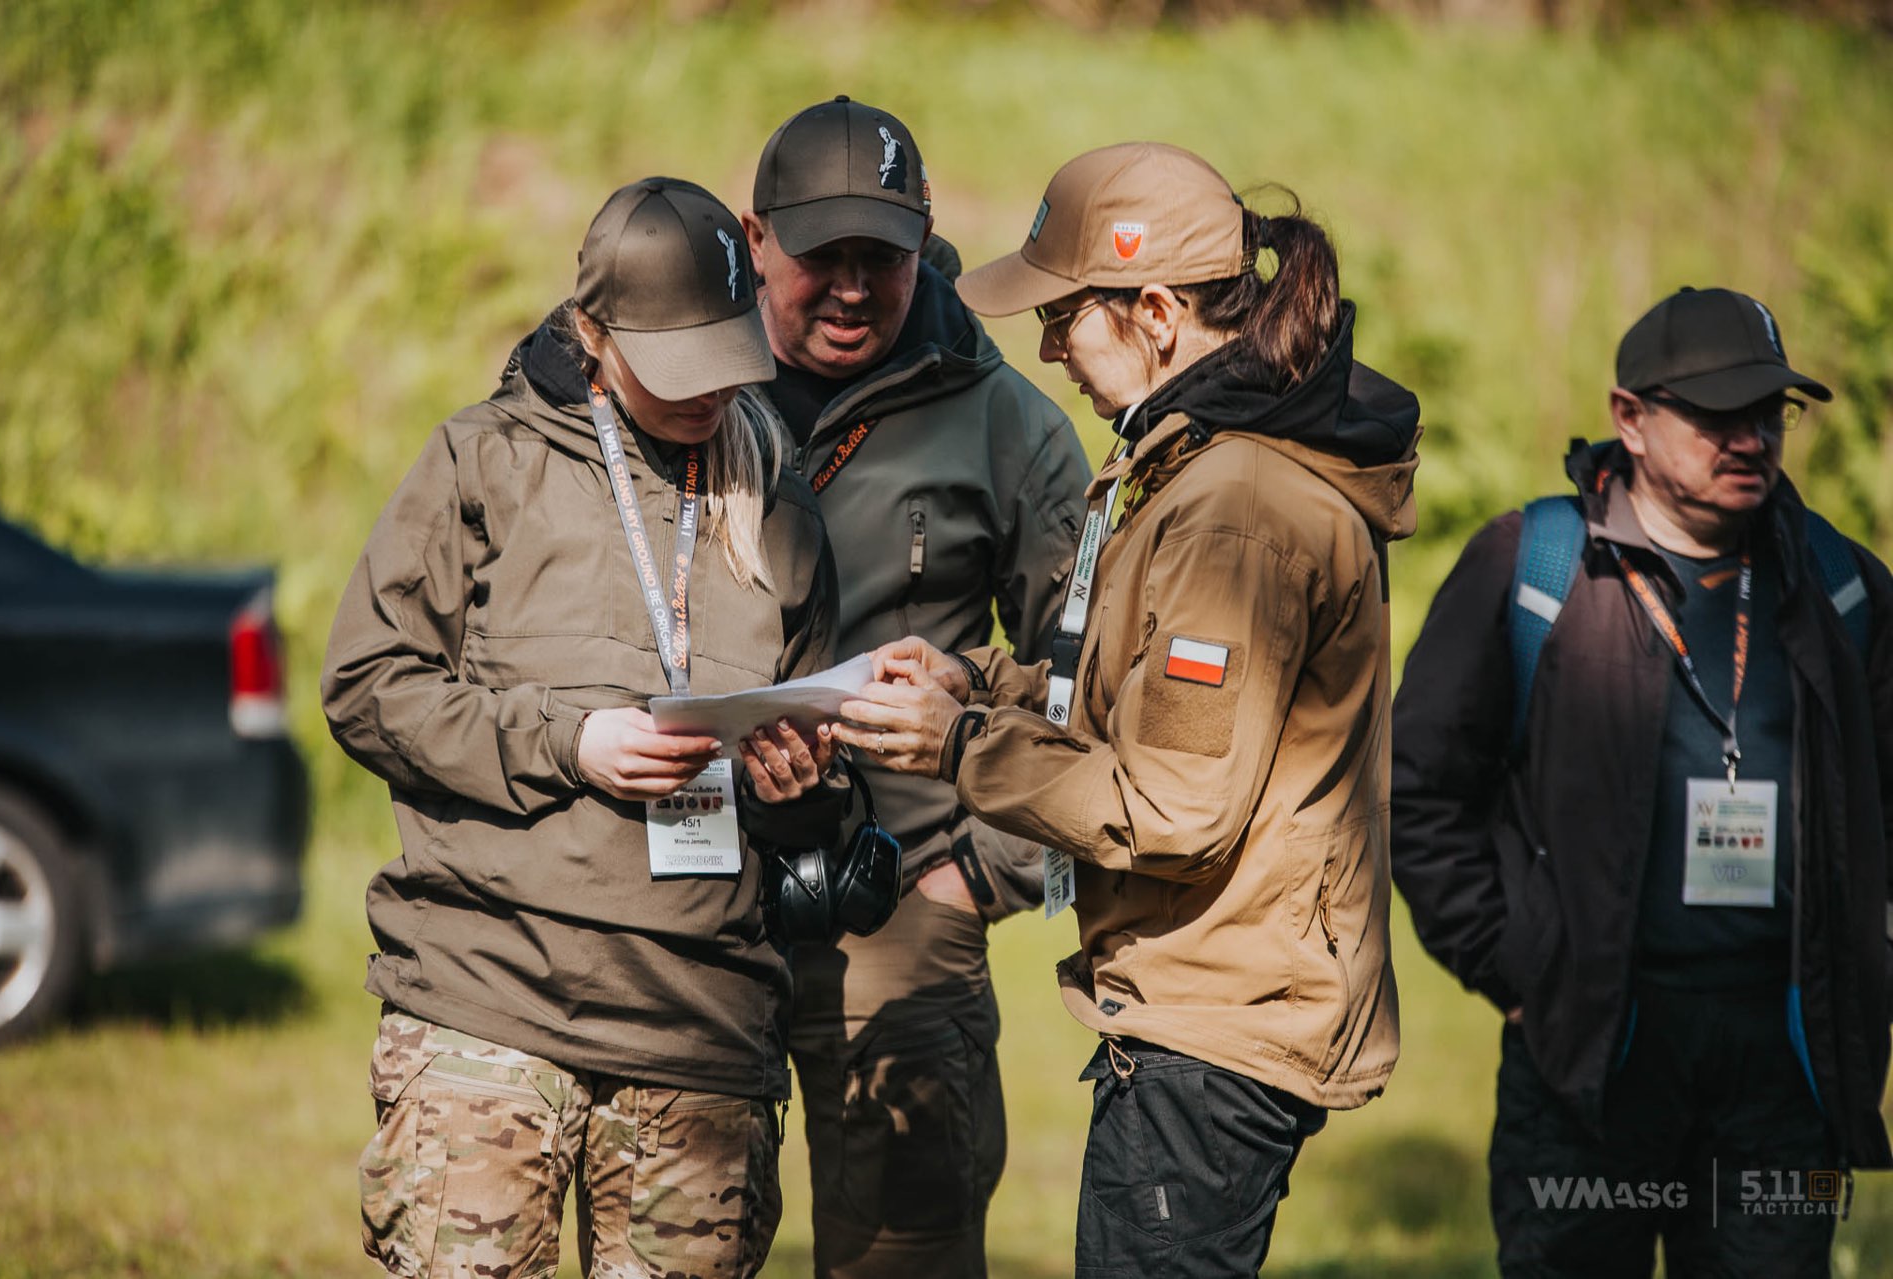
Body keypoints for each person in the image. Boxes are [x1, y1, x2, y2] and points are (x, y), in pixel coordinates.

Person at [833, 142, 1419, 1275]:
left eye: (1064, 318)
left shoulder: (1236, 505)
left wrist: (958, 747)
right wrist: (976, 681)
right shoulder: (1193, 463)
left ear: (1156, 311)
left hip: (1214, 1030)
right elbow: (1129, 700)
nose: (1048, 351)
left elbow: (1174, 804)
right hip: (1202, 1008)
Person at [323, 177, 847, 1279]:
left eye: (726, 357)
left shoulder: (779, 504)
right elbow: (369, 686)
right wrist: (569, 743)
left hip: (700, 1035)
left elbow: (816, 786)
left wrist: (801, 786)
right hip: (489, 1002)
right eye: (677, 365)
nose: (709, 392)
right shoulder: (482, 462)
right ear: (594, 334)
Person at [1391, 286, 1893, 1277]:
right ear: (1629, 417)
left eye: (1771, 411)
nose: (1751, 438)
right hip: (1588, 1053)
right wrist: (1515, 969)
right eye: (1717, 412)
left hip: (1784, 1066)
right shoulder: (1535, 565)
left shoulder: (1842, 584)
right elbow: (1421, 790)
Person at [740, 96, 1092, 1278]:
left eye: (881, 257)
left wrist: (981, 872)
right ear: (755, 239)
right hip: (686, 902)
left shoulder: (1007, 422)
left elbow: (1089, 684)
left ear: (926, 236)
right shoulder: (684, 379)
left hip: (900, 905)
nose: (851, 288)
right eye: (821, 255)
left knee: (905, 1252)